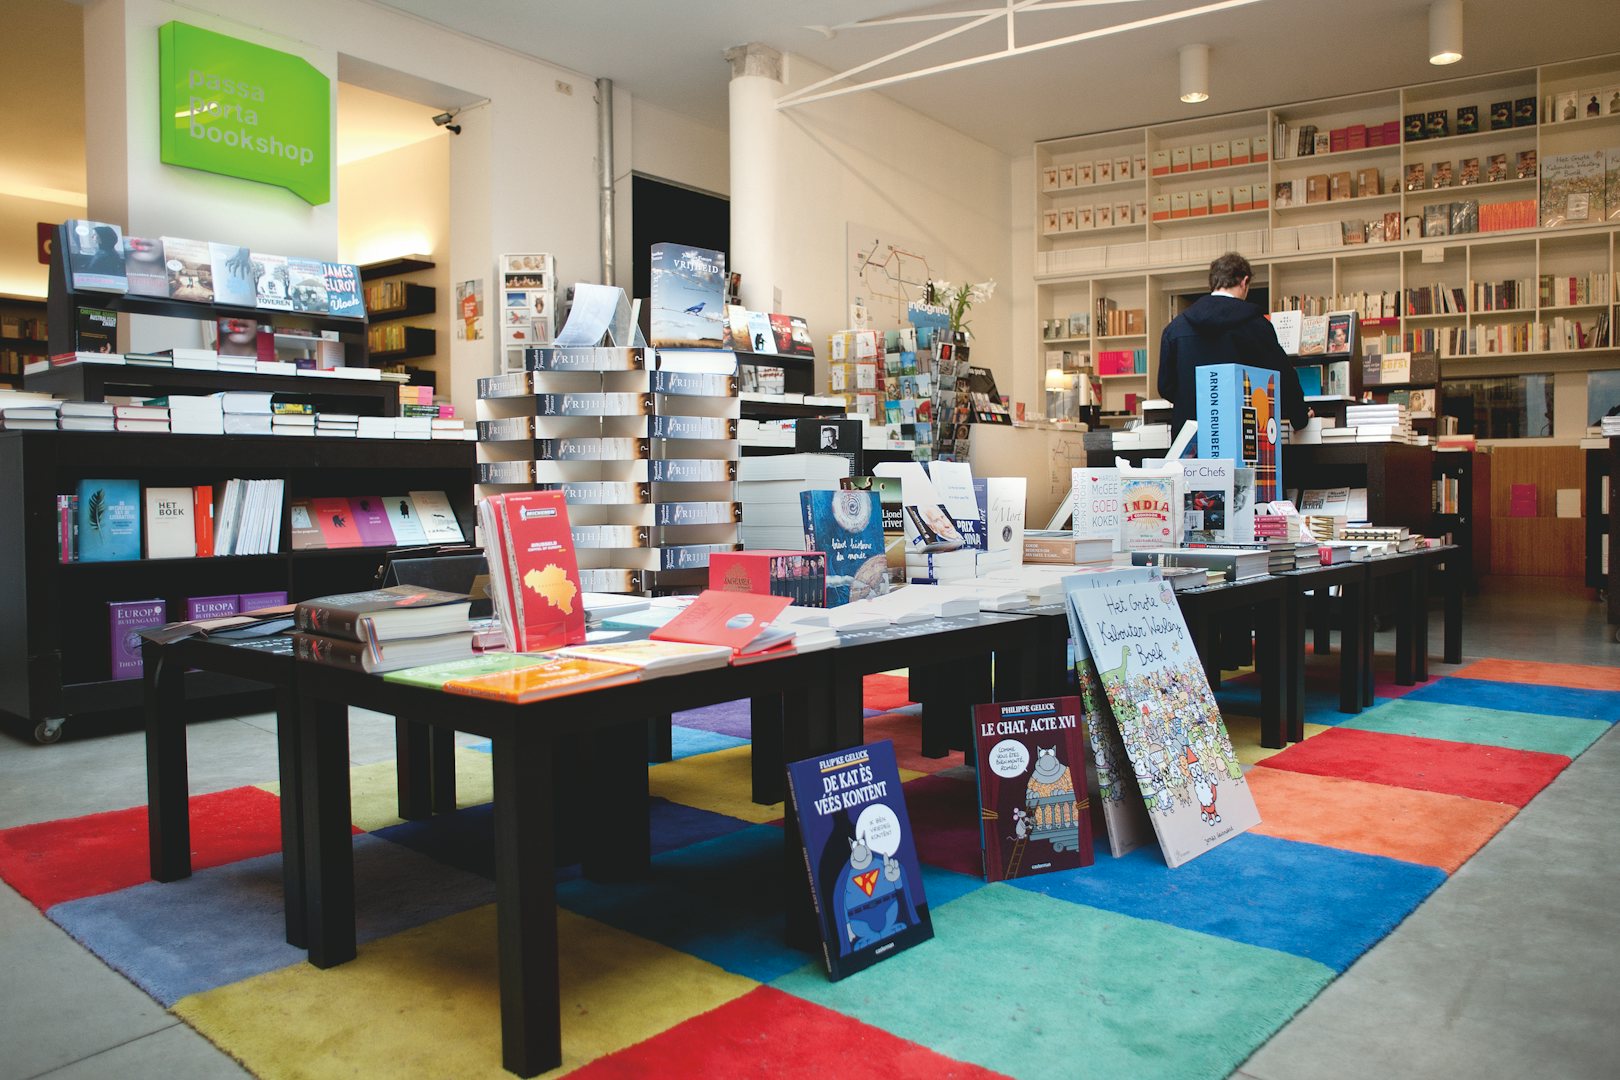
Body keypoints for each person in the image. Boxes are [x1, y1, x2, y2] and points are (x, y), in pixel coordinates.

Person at [1157, 251, 1309, 443]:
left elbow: (1166, 386)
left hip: (1190, 441)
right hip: (1243, 439)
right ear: (1244, 282)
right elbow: (1281, 378)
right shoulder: (1257, 326)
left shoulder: (1175, 328)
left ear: (1213, 282)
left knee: (1194, 474)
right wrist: (1300, 417)